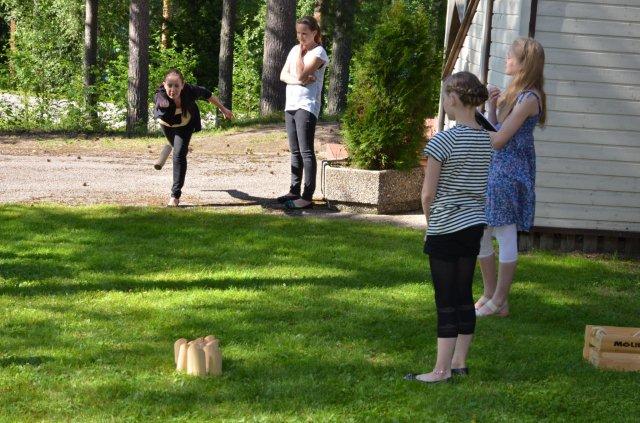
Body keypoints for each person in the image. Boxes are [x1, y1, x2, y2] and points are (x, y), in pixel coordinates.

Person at [404, 72, 491, 384]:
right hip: (473, 224)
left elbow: (428, 194)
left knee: (445, 300)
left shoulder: (442, 141)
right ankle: (460, 363)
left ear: (453, 99)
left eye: (444, 95)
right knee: (464, 293)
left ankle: (440, 371)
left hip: (445, 226)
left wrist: (432, 223)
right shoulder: (486, 140)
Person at [475, 37, 547, 317]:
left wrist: (477, 123)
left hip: (510, 171)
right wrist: (491, 109)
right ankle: (489, 294)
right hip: (498, 168)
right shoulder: (515, 93)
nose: (506, 60)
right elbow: (498, 128)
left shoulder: (530, 98)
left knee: (504, 232)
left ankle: (500, 300)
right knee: (482, 231)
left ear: (524, 64)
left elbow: (499, 140)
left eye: (510, 57)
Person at [153, 69, 234, 207]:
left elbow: (208, 95)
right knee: (178, 149)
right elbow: (160, 101)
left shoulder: (190, 90)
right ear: (164, 85)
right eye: (169, 85)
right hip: (167, 124)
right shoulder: (161, 96)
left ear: (183, 85)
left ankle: (175, 196)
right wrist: (164, 102)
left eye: (176, 86)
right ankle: (178, 147)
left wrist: (223, 109)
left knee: (178, 155)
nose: (173, 89)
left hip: (185, 123)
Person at [278, 16, 328, 210]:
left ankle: (307, 197)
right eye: (298, 33)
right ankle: (294, 189)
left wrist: (300, 54)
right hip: (290, 104)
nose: (301, 37)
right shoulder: (293, 49)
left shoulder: (319, 52)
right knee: (294, 150)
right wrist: (299, 81)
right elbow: (284, 75)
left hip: (307, 106)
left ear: (314, 33)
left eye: (304, 34)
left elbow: (299, 72)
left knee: (306, 150)